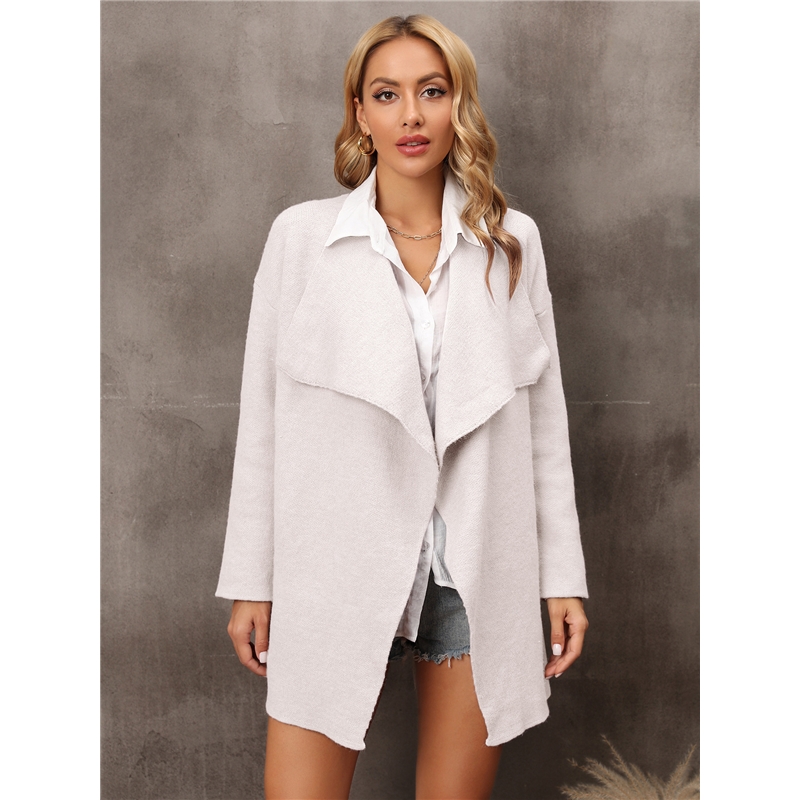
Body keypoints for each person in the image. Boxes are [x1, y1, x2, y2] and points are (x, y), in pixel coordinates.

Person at [216, 14, 589, 800]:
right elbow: (264, 420)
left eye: (432, 91)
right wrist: (253, 579)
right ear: (359, 112)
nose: (411, 115)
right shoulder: (302, 239)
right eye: (387, 95)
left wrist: (562, 577)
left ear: (460, 104)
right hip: (334, 559)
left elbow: (542, 427)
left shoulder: (511, 242)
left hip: (474, 569)